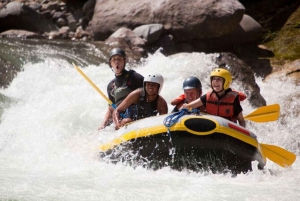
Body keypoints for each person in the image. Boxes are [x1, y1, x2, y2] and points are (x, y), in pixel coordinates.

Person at [181, 68, 246, 127]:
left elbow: (241, 120)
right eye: (214, 79)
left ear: (226, 82)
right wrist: (185, 107)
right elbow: (190, 106)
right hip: (212, 128)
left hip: (228, 130)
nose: (215, 81)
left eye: (219, 79)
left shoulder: (233, 99)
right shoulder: (207, 97)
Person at [99, 47, 144, 129]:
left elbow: (149, 93)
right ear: (110, 63)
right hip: (119, 118)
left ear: (124, 61)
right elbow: (111, 108)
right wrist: (102, 125)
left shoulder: (134, 77)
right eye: (114, 59)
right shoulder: (110, 86)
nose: (117, 62)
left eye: (119, 59)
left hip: (135, 114)